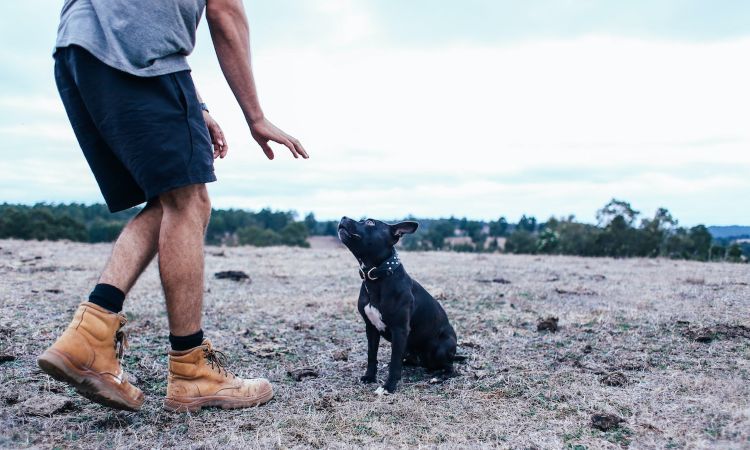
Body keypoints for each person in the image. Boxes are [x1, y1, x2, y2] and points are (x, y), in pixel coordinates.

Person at [37, 0, 308, 412]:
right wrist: (255, 115)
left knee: (171, 198)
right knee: (190, 201)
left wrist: (195, 105)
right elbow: (225, 11)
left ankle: (90, 333)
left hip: (80, 48)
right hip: (137, 55)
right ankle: (191, 370)